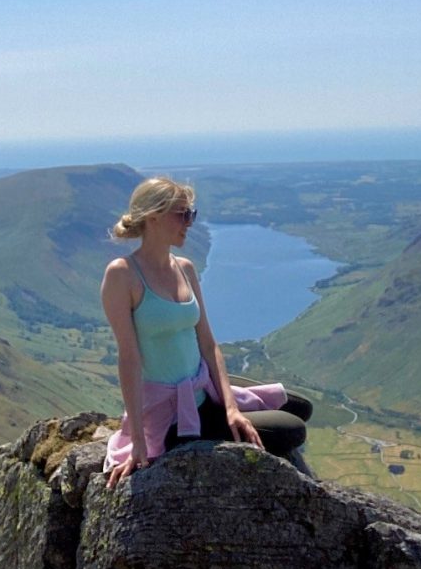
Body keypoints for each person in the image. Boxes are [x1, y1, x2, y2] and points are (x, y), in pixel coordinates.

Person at [101, 176, 311, 488]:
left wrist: (230, 408)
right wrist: (139, 441)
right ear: (154, 216)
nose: (190, 222)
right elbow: (129, 359)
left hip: (203, 384)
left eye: (191, 214)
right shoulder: (123, 275)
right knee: (292, 430)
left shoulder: (184, 267)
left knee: (301, 406)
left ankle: (225, 409)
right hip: (170, 411)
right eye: (182, 214)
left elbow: (208, 343)